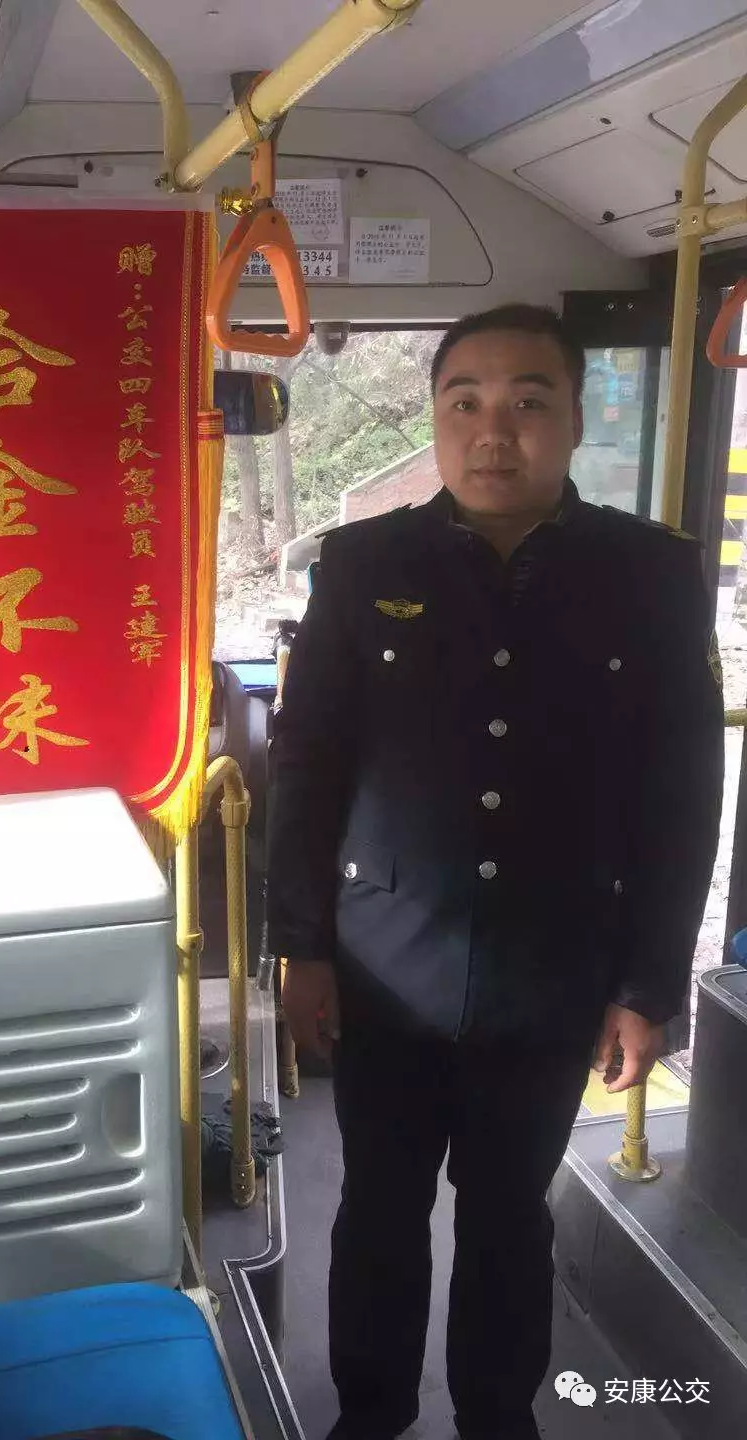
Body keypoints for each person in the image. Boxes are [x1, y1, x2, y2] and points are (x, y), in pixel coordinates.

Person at [266, 304, 724, 1440]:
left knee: (511, 1217)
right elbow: (306, 769)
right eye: (463, 402)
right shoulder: (363, 565)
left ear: (575, 419)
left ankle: (496, 1418)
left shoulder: (651, 575)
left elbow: (680, 796)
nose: (493, 432)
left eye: (528, 403)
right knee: (378, 1209)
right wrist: (301, 948)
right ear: (435, 418)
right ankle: (370, 1415)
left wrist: (649, 984)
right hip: (383, 962)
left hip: (554, 968)